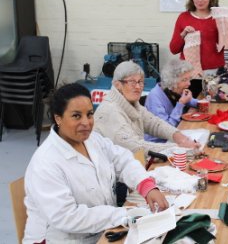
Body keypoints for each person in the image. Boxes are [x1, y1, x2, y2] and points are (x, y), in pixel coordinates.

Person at [23, 83, 169, 244]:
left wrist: (146, 185)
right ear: (58, 118)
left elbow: (122, 159)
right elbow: (67, 217)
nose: (86, 122)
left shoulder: (92, 140)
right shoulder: (46, 163)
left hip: (104, 230)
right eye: (76, 116)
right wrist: (123, 215)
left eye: (89, 114)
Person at [94, 61, 199, 154]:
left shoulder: (131, 102)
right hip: (113, 174)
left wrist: (179, 137)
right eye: (132, 82)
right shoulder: (110, 111)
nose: (138, 87)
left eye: (140, 81)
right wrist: (178, 147)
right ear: (118, 85)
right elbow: (136, 148)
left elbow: (154, 123)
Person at [169, 0, 225, 97]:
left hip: (213, 73)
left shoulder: (218, 17)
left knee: (211, 106)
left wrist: (225, 29)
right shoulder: (183, 17)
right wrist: (183, 34)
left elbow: (223, 47)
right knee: (190, 106)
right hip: (189, 74)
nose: (200, 0)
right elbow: (173, 49)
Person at [145, 59, 198, 142]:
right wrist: (181, 104)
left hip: (176, 134)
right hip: (160, 143)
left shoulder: (174, 89)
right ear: (172, 81)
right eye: (184, 80)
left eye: (189, 79)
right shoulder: (155, 97)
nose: (189, 83)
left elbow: (190, 101)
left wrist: (201, 103)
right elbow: (166, 130)